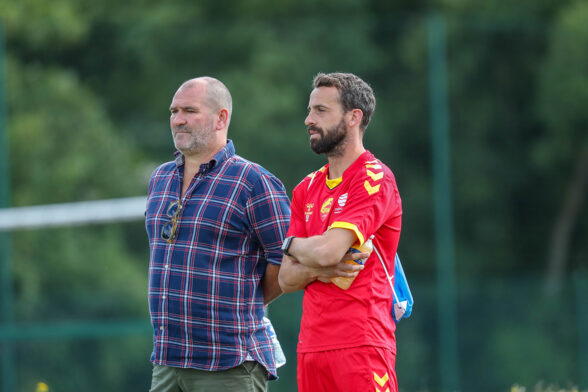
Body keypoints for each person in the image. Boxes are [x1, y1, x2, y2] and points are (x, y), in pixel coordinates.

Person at [145, 76, 290, 392]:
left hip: (228, 364)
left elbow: (287, 262)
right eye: (174, 111)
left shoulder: (253, 182)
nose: (178, 119)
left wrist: (242, 301)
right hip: (167, 362)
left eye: (189, 110)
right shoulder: (160, 179)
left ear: (221, 117)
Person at [278, 72, 402, 392]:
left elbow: (327, 252)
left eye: (321, 110)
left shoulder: (374, 177)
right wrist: (318, 265)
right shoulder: (305, 188)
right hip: (311, 349)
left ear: (353, 118)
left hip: (362, 345)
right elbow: (285, 279)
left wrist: (291, 244)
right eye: (309, 110)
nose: (308, 119)